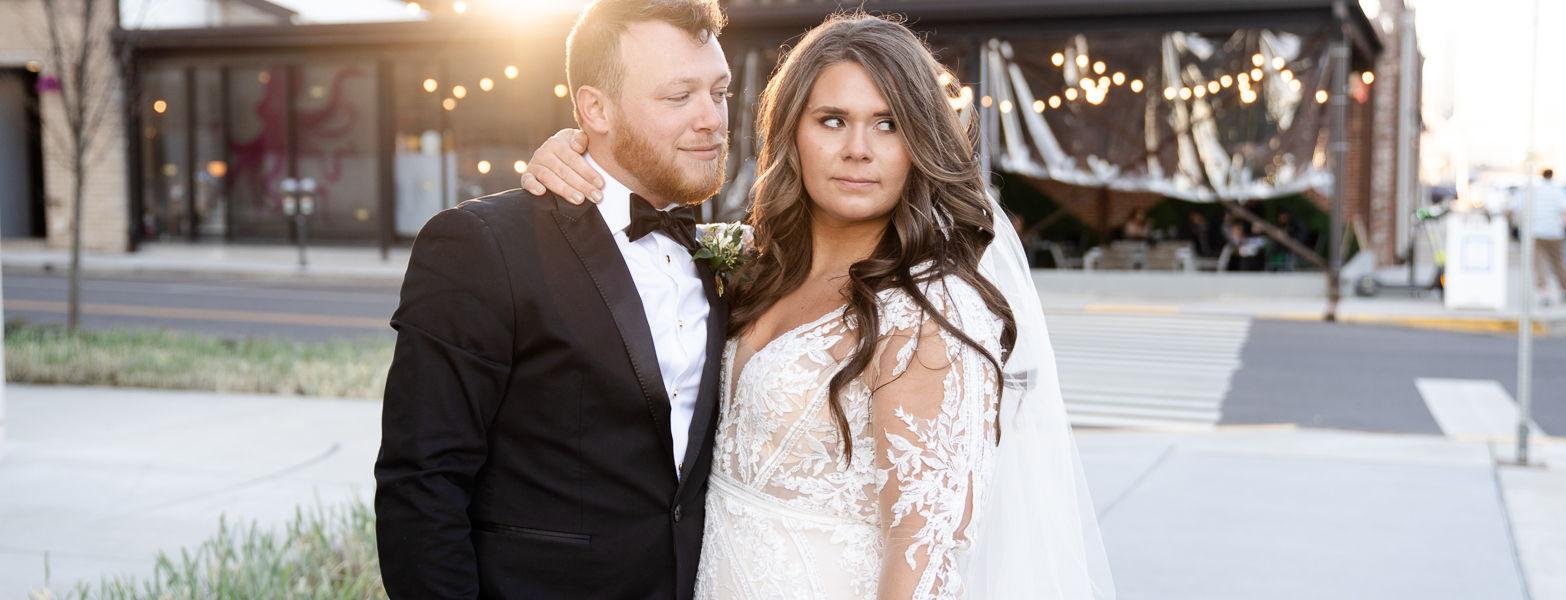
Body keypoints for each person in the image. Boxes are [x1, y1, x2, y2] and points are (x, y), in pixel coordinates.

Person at [521, 11, 1114, 599]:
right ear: (793, 133)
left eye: (888, 125)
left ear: (920, 143)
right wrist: (577, 153)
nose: (858, 150)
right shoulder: (753, 263)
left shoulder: (930, 312)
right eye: (833, 120)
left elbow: (926, 554)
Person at [374, 1, 731, 598]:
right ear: (595, 109)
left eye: (719, 92)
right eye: (679, 97)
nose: (712, 119)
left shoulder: (730, 254)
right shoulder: (482, 244)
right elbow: (422, 483)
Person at [1522, 168, 1566, 305]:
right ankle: (1565, 289)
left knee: (1539, 263)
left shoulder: (1536, 191)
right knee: (1558, 262)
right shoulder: (1558, 191)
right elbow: (1565, 212)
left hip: (1537, 232)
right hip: (1555, 232)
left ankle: (1544, 293)